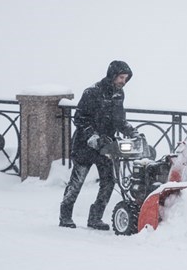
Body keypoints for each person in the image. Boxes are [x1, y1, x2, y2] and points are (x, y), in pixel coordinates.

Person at [59, 60, 138, 230]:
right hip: (85, 145)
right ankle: (65, 215)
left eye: (126, 78)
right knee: (77, 182)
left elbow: (119, 120)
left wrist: (132, 132)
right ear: (112, 75)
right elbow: (80, 118)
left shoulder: (119, 95)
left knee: (109, 182)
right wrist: (93, 136)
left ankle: (95, 218)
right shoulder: (92, 93)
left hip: (106, 147)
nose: (123, 81)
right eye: (121, 77)